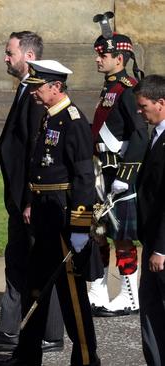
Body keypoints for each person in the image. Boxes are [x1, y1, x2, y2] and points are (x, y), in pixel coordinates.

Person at [0, 60, 100, 366]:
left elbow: (83, 177)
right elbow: (39, 168)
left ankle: (85, 358)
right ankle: (27, 356)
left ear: (56, 87)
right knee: (35, 290)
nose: (33, 94)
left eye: (38, 88)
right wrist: (31, 202)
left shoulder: (74, 122)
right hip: (44, 217)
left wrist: (80, 227)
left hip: (64, 219)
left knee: (72, 298)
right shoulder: (49, 119)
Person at [0, 30, 64, 352]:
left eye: (10, 52)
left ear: (29, 56)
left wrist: (29, 199)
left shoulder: (39, 98)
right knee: (17, 261)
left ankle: (49, 334)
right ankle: (9, 328)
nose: (5, 58)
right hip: (18, 197)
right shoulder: (25, 90)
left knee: (38, 265)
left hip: (29, 199)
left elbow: (38, 155)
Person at [87, 32, 148, 316]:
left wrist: (125, 174)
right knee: (98, 232)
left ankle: (129, 296)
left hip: (120, 175)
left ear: (119, 59)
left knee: (122, 238)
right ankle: (97, 293)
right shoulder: (110, 87)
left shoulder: (127, 89)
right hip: (102, 172)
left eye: (103, 55)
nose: (98, 59)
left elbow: (139, 136)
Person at [134, 74, 165, 366]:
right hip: (152, 239)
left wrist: (161, 248)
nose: (140, 112)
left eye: (144, 106)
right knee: (150, 311)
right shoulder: (154, 135)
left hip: (162, 247)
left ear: (161, 103)